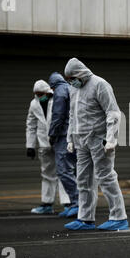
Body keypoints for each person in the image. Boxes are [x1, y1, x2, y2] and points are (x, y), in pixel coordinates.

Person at [63, 58, 129, 231]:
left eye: (72, 77)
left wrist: (111, 138)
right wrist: (70, 138)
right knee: (83, 180)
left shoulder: (99, 84)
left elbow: (113, 112)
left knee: (105, 177)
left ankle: (119, 217)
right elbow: (72, 115)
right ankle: (85, 219)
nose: (71, 81)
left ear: (80, 74)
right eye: (68, 79)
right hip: (81, 140)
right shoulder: (74, 88)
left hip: (99, 139)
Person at [26, 80, 71, 214]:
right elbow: (31, 125)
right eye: (37, 94)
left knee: (64, 171)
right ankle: (47, 203)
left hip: (59, 141)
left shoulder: (58, 100)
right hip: (44, 144)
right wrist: (30, 145)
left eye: (41, 94)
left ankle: (68, 203)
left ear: (47, 92)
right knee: (47, 173)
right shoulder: (34, 104)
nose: (39, 96)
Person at [48, 72, 80, 218]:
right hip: (75, 134)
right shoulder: (70, 88)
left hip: (63, 136)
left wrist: (53, 134)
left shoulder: (60, 91)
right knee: (74, 170)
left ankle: (76, 202)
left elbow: (58, 115)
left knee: (63, 170)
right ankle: (78, 203)